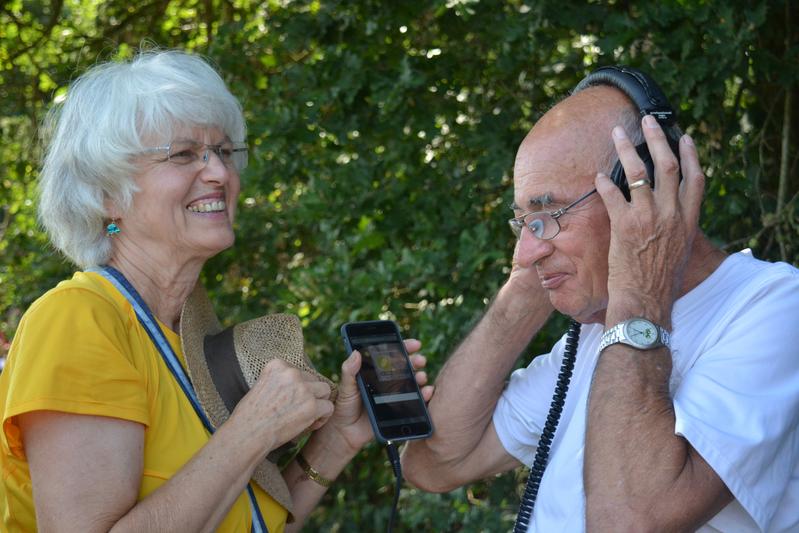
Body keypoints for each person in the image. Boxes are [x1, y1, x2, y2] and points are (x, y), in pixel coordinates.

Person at [0, 49, 432, 532]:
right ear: (107, 194)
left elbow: (241, 522)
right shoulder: (77, 321)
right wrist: (253, 429)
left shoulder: (188, 331)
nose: (220, 174)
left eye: (225, 152)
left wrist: (337, 440)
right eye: (184, 154)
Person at [402, 66, 799, 532]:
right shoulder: (598, 333)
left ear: (643, 188)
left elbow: (628, 522)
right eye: (523, 223)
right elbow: (434, 463)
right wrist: (524, 290)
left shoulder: (773, 305)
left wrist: (642, 290)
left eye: (549, 214)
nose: (527, 248)